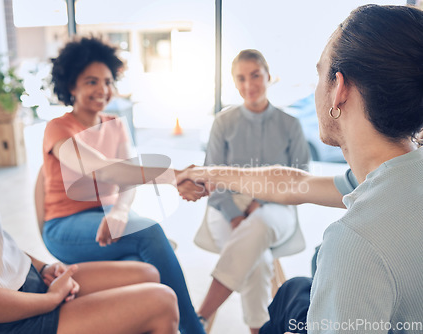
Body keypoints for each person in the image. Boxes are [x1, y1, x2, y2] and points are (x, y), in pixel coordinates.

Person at [178, 4, 423, 333]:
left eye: (319, 74)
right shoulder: (399, 173)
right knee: (293, 290)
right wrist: (210, 174)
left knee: (288, 297)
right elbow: (295, 182)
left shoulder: (355, 243)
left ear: (338, 89)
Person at [0, 25, 180, 334]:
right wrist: (52, 299)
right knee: (161, 301)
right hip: (11, 321)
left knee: (148, 275)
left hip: (29, 284)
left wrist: (43, 267)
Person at [42, 36, 205, 334]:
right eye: (91, 81)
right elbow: (103, 171)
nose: (102, 90)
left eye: (107, 81)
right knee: (150, 232)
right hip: (64, 227)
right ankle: (194, 329)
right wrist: (173, 176)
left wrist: (118, 212)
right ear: (71, 86)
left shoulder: (115, 123)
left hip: (106, 222)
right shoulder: (59, 128)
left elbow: (127, 179)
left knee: (143, 266)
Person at [196, 49, 309, 333]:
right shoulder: (223, 122)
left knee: (258, 225)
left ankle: (200, 316)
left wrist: (263, 201)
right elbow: (212, 176)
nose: (249, 85)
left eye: (255, 75)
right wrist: (236, 213)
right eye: (241, 78)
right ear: (235, 83)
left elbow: (301, 180)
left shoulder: (290, 124)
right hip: (225, 206)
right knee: (258, 262)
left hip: (278, 207)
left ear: (269, 76)